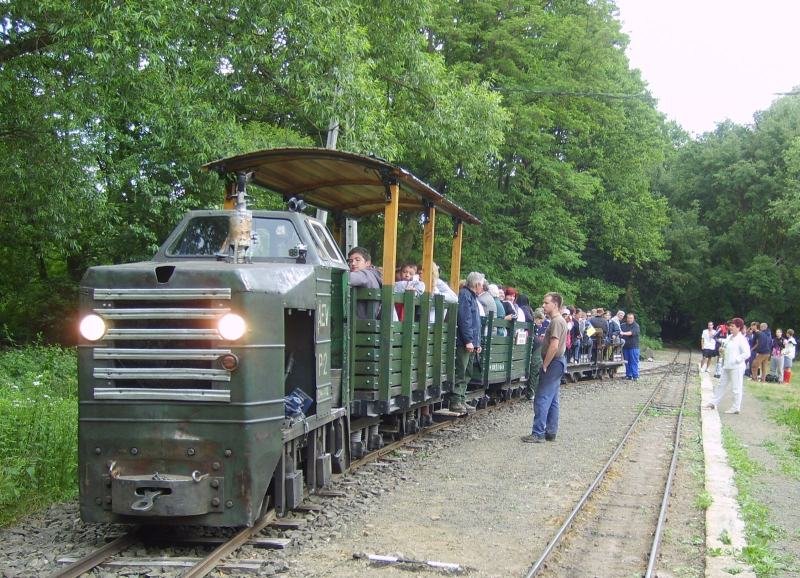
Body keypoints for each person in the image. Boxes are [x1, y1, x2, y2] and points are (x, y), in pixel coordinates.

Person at [521, 292, 568, 443]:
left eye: (546, 303)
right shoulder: (559, 321)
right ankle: (550, 432)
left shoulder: (556, 322)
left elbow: (554, 346)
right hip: (558, 362)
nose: (543, 305)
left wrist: (545, 364)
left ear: (555, 304)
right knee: (553, 399)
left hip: (553, 363)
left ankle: (538, 433)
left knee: (541, 398)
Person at [451, 272, 484, 414]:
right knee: (461, 371)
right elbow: (465, 320)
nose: (482, 287)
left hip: (470, 343)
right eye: (482, 284)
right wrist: (469, 341)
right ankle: (456, 401)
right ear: (476, 285)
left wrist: (476, 343)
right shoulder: (465, 295)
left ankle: (462, 399)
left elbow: (474, 322)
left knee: (468, 372)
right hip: (464, 343)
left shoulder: (471, 297)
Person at [706, 318, 750, 414]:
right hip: (727, 365)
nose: (730, 328)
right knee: (721, 385)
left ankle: (736, 407)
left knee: (736, 388)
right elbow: (725, 347)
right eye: (730, 326)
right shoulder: (729, 337)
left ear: (739, 327)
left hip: (736, 367)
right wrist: (722, 350)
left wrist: (736, 360)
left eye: (733, 326)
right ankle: (713, 402)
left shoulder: (741, 339)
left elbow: (747, 353)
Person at [347, 247, 382, 319]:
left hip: (361, 324)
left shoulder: (365, 274)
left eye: (357, 260)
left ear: (367, 263)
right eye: (350, 261)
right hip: (368, 322)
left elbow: (348, 279)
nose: (353, 263)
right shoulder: (373, 274)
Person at [620, 312, 641, 380]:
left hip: (634, 347)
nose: (629, 319)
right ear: (626, 318)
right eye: (628, 318)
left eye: (631, 318)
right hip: (625, 347)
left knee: (634, 361)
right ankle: (628, 375)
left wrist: (623, 333)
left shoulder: (636, 326)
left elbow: (631, 333)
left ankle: (635, 376)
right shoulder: (623, 325)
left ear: (633, 319)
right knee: (627, 362)